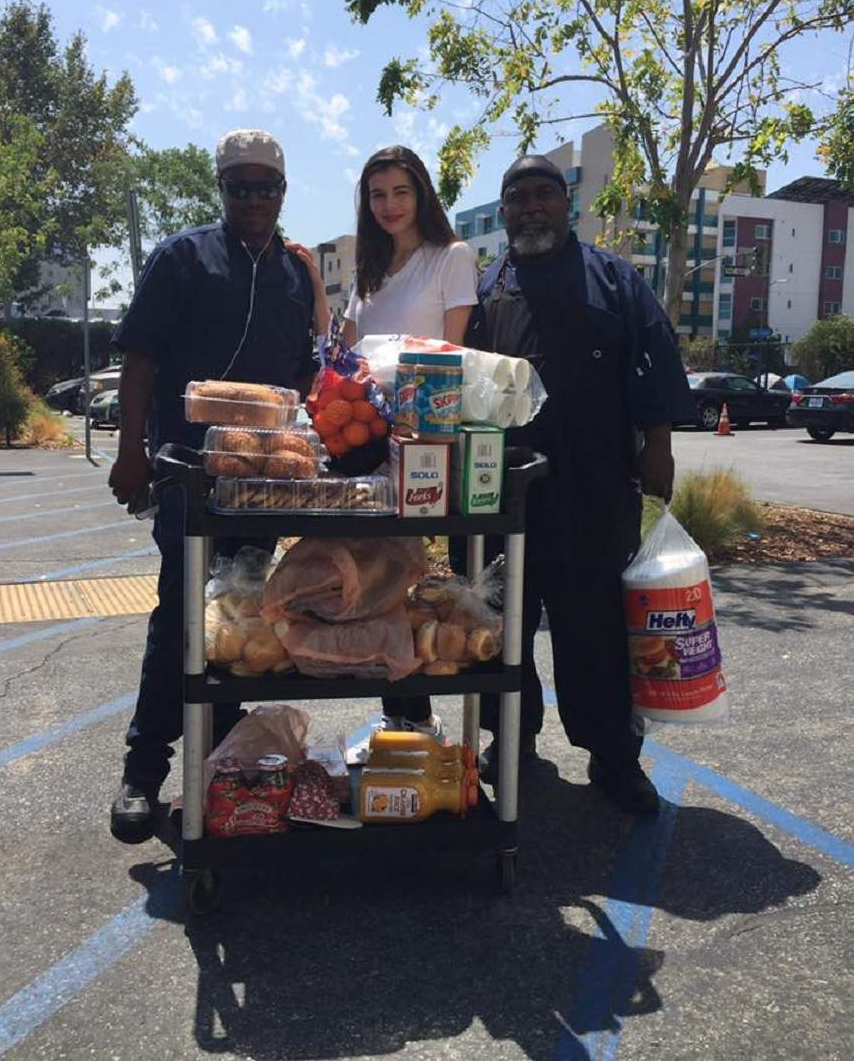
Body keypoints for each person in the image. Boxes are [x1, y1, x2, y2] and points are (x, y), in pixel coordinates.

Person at [108, 128, 327, 843]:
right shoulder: (182, 257)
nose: (255, 198)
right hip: (187, 477)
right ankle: (144, 773)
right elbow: (140, 360)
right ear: (222, 190)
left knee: (244, 624)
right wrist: (130, 453)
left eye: (267, 186)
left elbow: (302, 374)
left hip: (263, 483)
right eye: (241, 186)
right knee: (179, 615)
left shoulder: (297, 275)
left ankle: (223, 771)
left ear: (284, 192)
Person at [466, 155, 695, 814]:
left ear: (566, 204)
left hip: (595, 487)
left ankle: (613, 758)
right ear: (504, 210)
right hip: (505, 496)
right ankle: (511, 743)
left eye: (544, 195)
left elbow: (654, 359)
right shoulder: (485, 288)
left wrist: (659, 445)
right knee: (500, 626)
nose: (531, 207)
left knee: (594, 628)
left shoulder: (614, 280)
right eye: (519, 197)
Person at [343, 145, 479, 737]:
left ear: (421, 193)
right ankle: (395, 708)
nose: (389, 205)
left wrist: (417, 422)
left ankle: (419, 714)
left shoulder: (451, 257)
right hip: (362, 443)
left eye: (401, 191)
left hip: (421, 441)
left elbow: (455, 358)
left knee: (410, 577)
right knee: (370, 579)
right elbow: (343, 356)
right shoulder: (369, 272)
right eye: (377, 195)